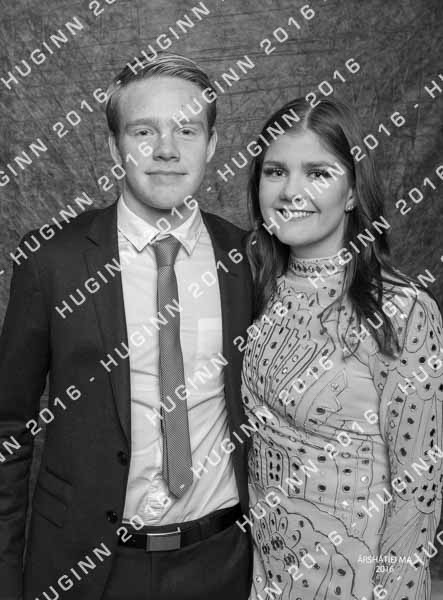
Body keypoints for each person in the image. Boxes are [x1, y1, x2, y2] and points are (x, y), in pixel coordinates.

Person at [0, 53, 253, 600]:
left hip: (224, 563)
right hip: (89, 568)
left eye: (187, 130)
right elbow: (8, 425)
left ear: (212, 144)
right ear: (115, 148)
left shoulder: (248, 258)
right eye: (144, 131)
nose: (166, 149)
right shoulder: (52, 260)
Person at [241, 96, 443, 600]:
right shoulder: (255, 287)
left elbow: (418, 489)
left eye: (318, 173)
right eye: (275, 172)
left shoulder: (402, 311)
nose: (291, 191)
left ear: (353, 192)